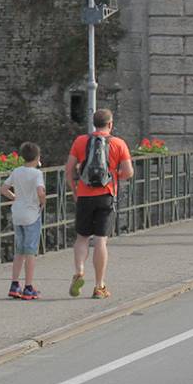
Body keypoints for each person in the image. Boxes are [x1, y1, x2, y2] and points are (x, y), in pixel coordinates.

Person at [65, 109, 134, 299]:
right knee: (101, 240)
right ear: (110, 124)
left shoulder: (80, 141)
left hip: (85, 194)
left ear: (93, 123)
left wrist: (75, 190)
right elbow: (128, 172)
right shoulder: (118, 143)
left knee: (82, 237)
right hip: (106, 194)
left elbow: (69, 170)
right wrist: (113, 175)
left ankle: (79, 270)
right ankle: (99, 285)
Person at [0, 142, 46, 300]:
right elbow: (40, 191)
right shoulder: (36, 174)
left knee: (19, 251)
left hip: (17, 214)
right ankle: (28, 286)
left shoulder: (17, 171)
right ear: (38, 158)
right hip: (31, 215)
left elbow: (3, 188)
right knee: (30, 252)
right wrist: (43, 201)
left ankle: (14, 284)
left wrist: (15, 198)